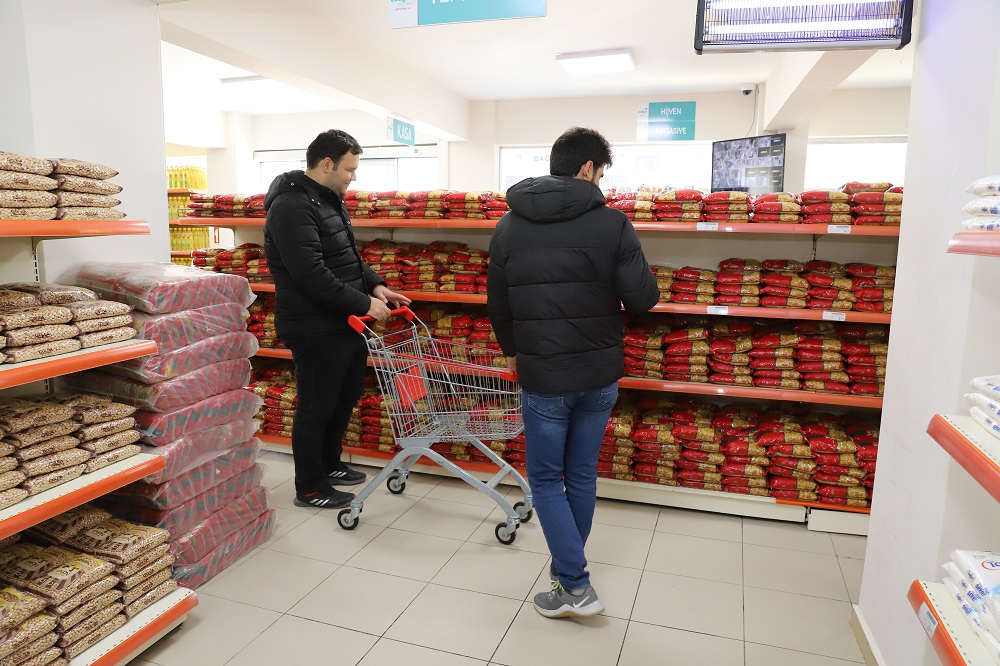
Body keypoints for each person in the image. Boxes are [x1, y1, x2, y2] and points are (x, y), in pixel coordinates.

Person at [487, 127, 659, 619]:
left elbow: (498, 303)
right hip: (599, 373)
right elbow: (643, 299)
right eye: (601, 172)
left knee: (545, 479)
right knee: (580, 474)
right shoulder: (614, 223)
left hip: (543, 373)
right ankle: (569, 576)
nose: (601, 181)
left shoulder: (508, 227)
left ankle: (574, 583)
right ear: (587, 168)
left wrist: (512, 351)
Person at [264, 129, 411, 509]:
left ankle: (330, 464)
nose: (353, 176)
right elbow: (310, 273)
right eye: (349, 169)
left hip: (342, 321)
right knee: (317, 406)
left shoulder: (327, 200)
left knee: (343, 399)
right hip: (313, 325)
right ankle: (310, 487)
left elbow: (347, 257)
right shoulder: (292, 205)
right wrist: (362, 303)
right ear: (327, 164)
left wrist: (376, 286)